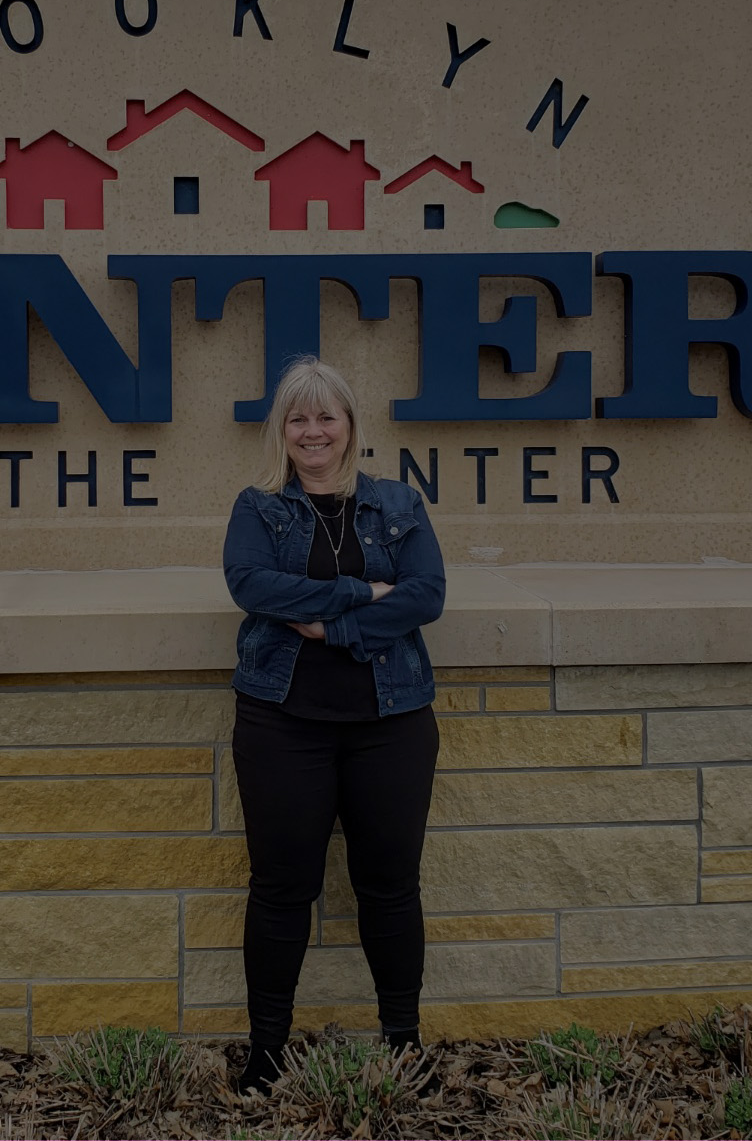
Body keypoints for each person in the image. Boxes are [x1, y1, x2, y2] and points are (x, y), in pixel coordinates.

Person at [221, 355, 446, 1096]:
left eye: (326, 416)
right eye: (298, 417)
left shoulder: (398, 504)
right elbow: (251, 583)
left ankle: (403, 1045)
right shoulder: (259, 508)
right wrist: (354, 590)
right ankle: (265, 1055)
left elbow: (425, 594)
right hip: (283, 722)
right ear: (281, 431)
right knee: (283, 888)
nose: (313, 431)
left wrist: (332, 627)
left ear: (349, 425)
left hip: (391, 721)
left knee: (389, 886)